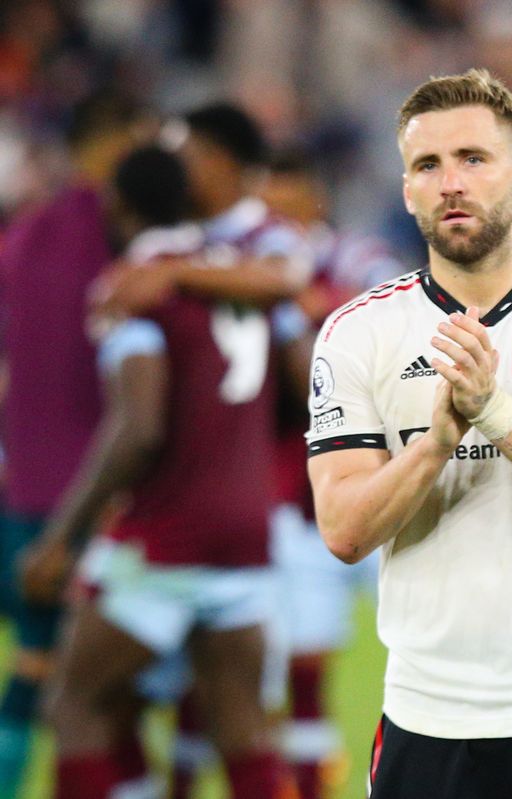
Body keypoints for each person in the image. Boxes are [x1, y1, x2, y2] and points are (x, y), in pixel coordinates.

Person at [305, 69, 512, 799]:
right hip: (429, 712)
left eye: (473, 159)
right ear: (406, 190)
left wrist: (494, 410)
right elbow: (343, 529)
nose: (450, 182)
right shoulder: (360, 333)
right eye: (428, 165)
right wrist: (434, 442)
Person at [20, 144, 289, 799]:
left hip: (167, 532)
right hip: (247, 530)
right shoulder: (230, 271)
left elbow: (138, 427)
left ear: (118, 205)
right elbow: (303, 371)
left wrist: (61, 536)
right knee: (242, 727)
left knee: (77, 706)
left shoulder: (132, 283)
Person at [0, 89, 147, 799]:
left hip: (22, 493)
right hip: (94, 501)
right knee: (106, 694)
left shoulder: (21, 239)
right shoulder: (124, 245)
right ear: (108, 143)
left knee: (36, 665)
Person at [259, 148, 404, 799]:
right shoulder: (250, 275)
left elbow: (403, 313)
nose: (277, 222)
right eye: (268, 209)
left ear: (315, 204)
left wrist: (311, 303)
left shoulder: (353, 259)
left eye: (287, 208)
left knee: (426, 644)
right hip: (301, 497)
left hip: (395, 487)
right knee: (304, 668)